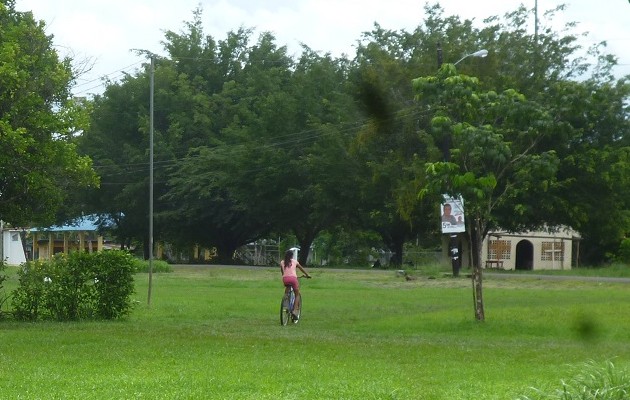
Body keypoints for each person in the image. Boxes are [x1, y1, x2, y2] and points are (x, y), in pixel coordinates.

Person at [280, 249, 311, 319]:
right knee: (297, 294)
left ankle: (285, 302)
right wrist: (307, 275)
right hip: (293, 279)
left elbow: (283, 272)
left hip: (285, 279)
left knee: (287, 290)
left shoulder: (282, 262)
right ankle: (294, 311)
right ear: (292, 256)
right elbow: (301, 269)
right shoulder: (294, 262)